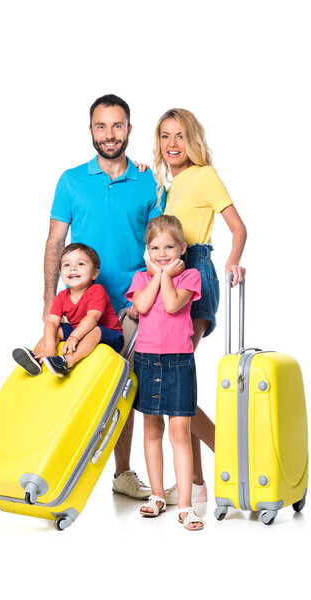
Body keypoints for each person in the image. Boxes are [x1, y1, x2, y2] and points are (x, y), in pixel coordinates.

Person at [35, 94, 165, 499]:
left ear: (129, 128)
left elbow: (165, 241)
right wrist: (46, 307)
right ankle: (46, 470)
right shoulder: (71, 179)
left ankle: (122, 473)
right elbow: (55, 243)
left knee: (123, 388)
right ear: (90, 130)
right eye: (101, 126)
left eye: (117, 126)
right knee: (64, 382)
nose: (109, 135)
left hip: (129, 307)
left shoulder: (150, 181)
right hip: (77, 303)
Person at [153, 108, 247, 504]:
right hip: (165, 280)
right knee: (178, 388)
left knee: (177, 385)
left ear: (193, 140)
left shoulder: (204, 176)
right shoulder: (163, 186)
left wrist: (231, 260)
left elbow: (238, 227)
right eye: (164, 136)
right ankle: (196, 483)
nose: (172, 144)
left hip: (195, 275)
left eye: (180, 136)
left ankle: (229, 455)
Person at [126, 215, 205, 529]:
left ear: (182, 248)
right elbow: (143, 306)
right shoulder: (141, 279)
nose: (162, 253)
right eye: (155, 247)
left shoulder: (190, 277)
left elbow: (172, 306)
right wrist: (160, 275)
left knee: (179, 433)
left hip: (179, 361)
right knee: (152, 431)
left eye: (169, 247)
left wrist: (166, 276)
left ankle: (185, 506)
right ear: (147, 250)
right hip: (146, 359)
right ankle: (157, 496)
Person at [12, 243, 124, 377]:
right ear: (61, 273)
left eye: (81, 264)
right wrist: (51, 347)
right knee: (57, 329)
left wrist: (74, 337)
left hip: (109, 335)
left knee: (95, 330)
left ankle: (66, 362)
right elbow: (51, 322)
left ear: (95, 273)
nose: (73, 268)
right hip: (79, 331)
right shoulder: (61, 296)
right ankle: (36, 358)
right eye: (67, 265)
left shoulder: (97, 291)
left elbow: (92, 318)